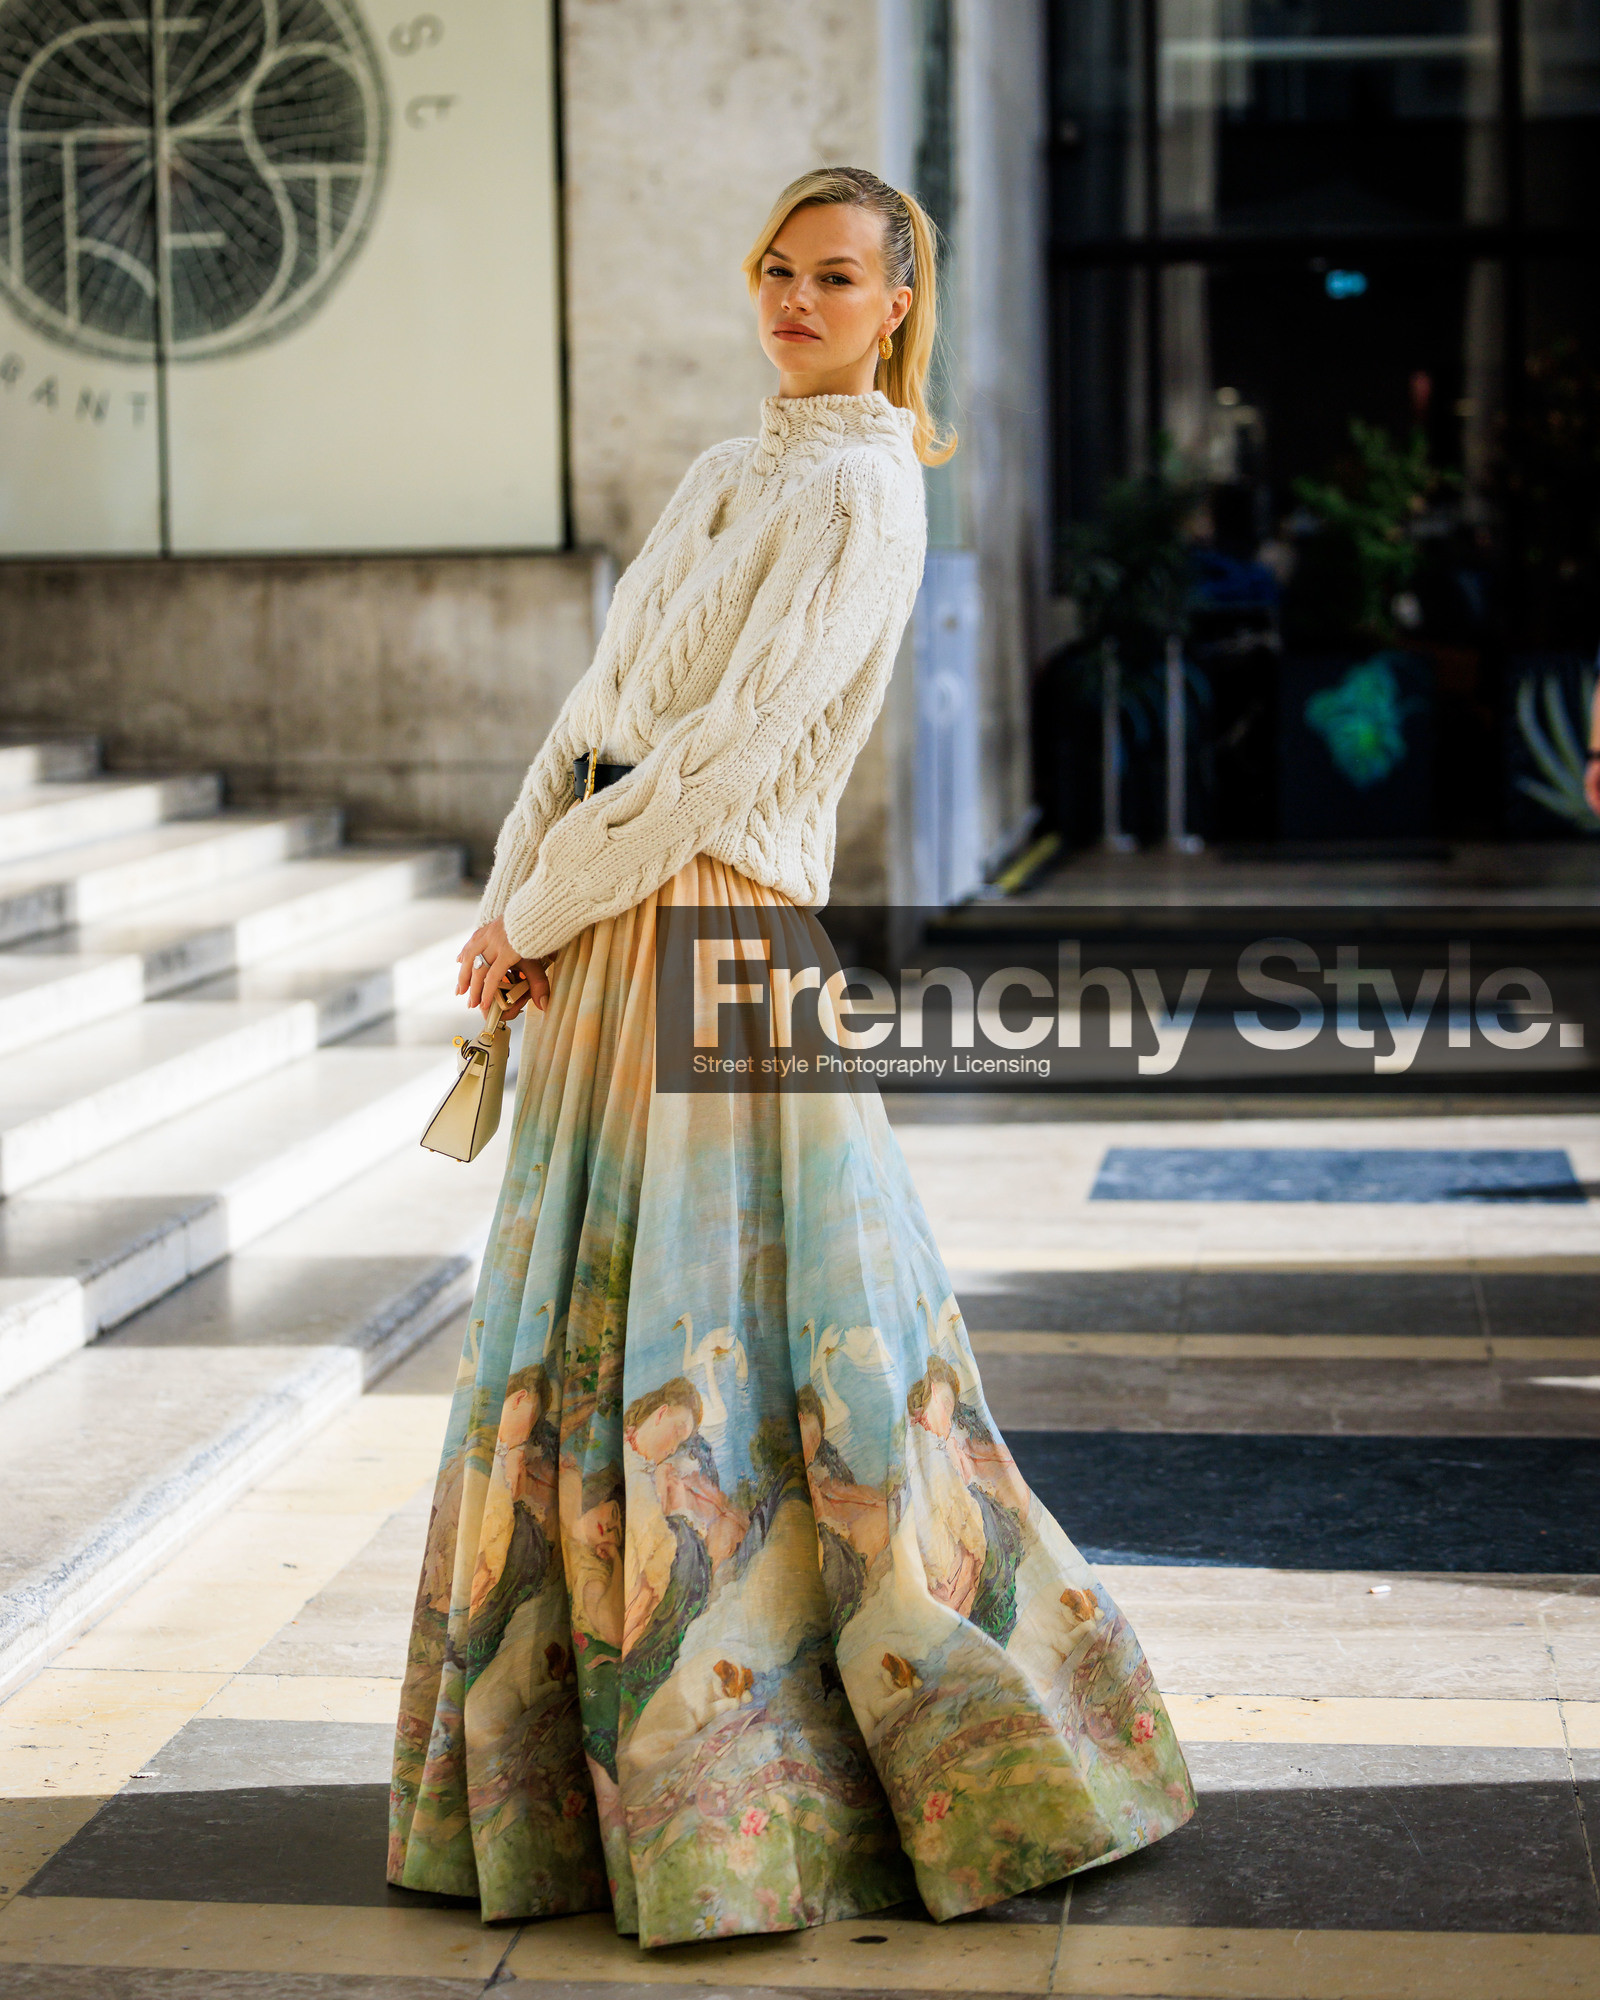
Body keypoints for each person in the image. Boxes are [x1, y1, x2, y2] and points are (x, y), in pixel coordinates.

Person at [388, 165, 1195, 1947]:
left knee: (754, 1352)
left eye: (837, 278)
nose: (798, 301)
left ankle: (800, 1778)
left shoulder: (864, 492)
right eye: (777, 270)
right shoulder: (721, 470)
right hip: (616, 922)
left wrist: (545, 908)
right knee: (601, 1350)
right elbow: (599, 718)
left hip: (720, 929)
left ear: (899, 303)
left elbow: (733, 753)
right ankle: (604, 1786)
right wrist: (523, 892)